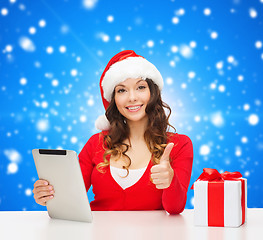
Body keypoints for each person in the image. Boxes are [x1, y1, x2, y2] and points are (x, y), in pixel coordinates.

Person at [33, 50, 193, 214]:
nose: (132, 98)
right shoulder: (96, 143)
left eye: (140, 87)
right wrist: (47, 194)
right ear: (113, 99)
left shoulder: (179, 145)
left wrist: (170, 180)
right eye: (122, 90)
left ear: (153, 92)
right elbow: (69, 197)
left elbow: (175, 208)